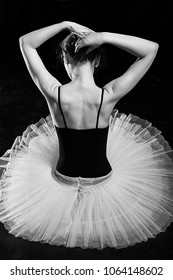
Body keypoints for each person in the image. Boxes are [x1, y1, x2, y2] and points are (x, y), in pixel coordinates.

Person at [0, 21, 173, 249]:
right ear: (98, 61)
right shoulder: (108, 95)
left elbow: (26, 43)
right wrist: (104, 36)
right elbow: (151, 49)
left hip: (63, 178)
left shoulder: (55, 94)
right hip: (102, 178)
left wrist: (65, 24)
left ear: (65, 60)